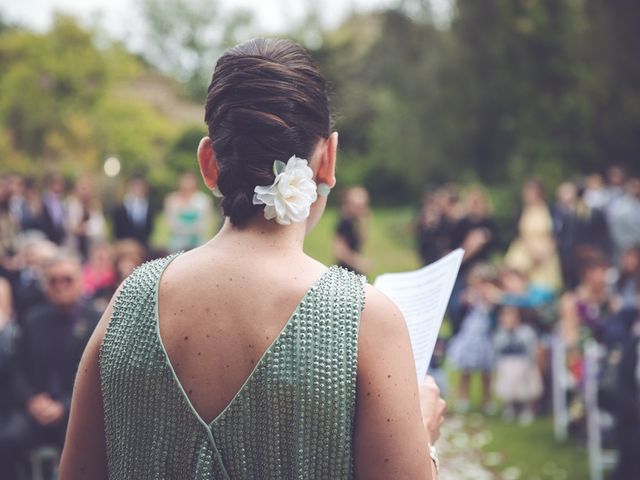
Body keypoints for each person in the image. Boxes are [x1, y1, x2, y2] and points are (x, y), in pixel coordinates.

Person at [60, 39, 446, 479]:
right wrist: (424, 440)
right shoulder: (366, 320)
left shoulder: (129, 302)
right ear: (329, 158)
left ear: (209, 162)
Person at [6, 251, 100, 461]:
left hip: (77, 411)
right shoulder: (32, 319)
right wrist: (31, 400)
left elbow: (99, 375)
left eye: (67, 279)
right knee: (8, 439)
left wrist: (64, 406)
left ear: (81, 280)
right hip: (35, 408)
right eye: (53, 280)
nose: (60, 285)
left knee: (82, 448)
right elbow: (17, 369)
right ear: (44, 285)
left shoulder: (97, 322)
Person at [447, 263, 497, 413]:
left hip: (485, 338)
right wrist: (464, 302)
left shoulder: (492, 298)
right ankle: (463, 398)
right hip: (469, 337)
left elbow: (495, 318)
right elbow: (457, 314)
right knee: (465, 370)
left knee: (486, 372)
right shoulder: (467, 295)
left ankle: (487, 400)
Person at [505, 179, 562, 292]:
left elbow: (556, 234)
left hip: (546, 253)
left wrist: (545, 253)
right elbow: (520, 234)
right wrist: (532, 252)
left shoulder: (551, 210)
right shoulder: (521, 211)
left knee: (544, 286)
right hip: (526, 251)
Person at [493, 305, 543, 424]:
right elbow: (497, 351)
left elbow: (531, 349)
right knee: (507, 384)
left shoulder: (526, 332)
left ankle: (527, 410)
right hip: (506, 364)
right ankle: (509, 408)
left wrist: (530, 364)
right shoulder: (500, 333)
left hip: (523, 363)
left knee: (525, 388)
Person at [164, 171, 215, 252]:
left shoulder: (203, 200)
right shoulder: (172, 199)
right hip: (178, 241)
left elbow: (206, 223)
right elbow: (170, 223)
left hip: (197, 240)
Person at [333, 185, 372, 275]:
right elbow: (339, 251)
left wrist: (365, 221)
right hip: (345, 270)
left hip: (354, 270)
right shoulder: (344, 222)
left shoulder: (355, 220)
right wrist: (358, 262)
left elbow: (362, 240)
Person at [112, 176, 155, 249]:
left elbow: (150, 229)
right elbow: (117, 231)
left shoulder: (148, 208)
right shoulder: (120, 209)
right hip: (125, 244)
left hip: (143, 244)